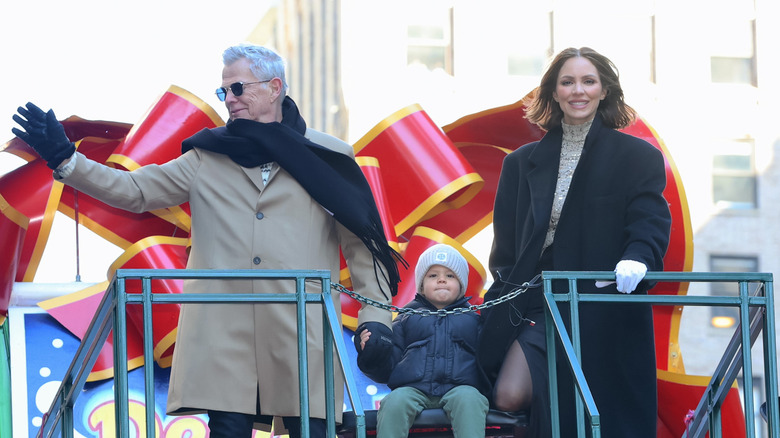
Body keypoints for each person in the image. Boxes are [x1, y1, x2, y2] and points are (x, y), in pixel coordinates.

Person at [12, 43, 404, 438]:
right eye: (223, 92)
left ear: (274, 87)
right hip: (222, 335)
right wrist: (66, 160)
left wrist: (376, 322)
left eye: (237, 89)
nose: (229, 100)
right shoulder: (207, 155)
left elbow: (364, 247)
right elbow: (135, 190)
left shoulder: (330, 155)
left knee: (314, 433)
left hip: (302, 334)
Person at [478, 47, 672, 438]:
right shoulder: (519, 162)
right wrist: (499, 302)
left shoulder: (638, 157)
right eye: (567, 82)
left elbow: (648, 222)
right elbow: (506, 251)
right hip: (537, 303)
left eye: (588, 81)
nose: (577, 90)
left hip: (602, 304)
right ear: (552, 92)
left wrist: (638, 259)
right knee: (508, 396)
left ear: (604, 90)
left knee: (597, 412)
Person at [356, 243, 491, 438]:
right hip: (413, 389)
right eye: (433, 275)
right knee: (394, 401)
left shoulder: (473, 319)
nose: (442, 280)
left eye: (450, 276)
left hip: (459, 388)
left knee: (471, 399)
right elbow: (388, 364)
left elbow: (488, 361)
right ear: (421, 284)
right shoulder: (406, 318)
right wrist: (371, 354)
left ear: (461, 285)